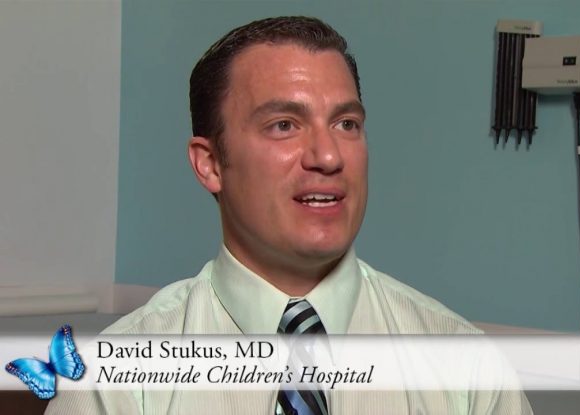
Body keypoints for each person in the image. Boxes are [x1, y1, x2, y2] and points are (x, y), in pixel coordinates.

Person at [47, 16, 532, 414]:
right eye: (284, 125)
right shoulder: (111, 387)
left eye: (346, 123)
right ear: (210, 164)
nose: (328, 156)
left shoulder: (468, 374)